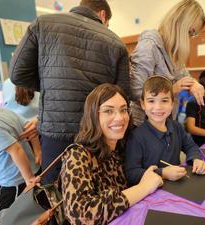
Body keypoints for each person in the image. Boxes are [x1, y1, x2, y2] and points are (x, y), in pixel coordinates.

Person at [9, 0, 130, 184]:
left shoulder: (43, 24)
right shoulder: (116, 42)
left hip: (54, 130)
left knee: (54, 193)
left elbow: (17, 73)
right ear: (103, 15)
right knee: (93, 190)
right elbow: (122, 93)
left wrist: (52, 87)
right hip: (96, 132)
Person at [61, 84, 162, 225]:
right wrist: (142, 188)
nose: (119, 118)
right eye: (108, 111)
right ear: (93, 115)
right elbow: (81, 215)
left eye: (123, 110)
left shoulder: (123, 146)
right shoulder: (77, 154)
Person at [130, 0, 205, 126]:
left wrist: (194, 83)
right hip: (144, 125)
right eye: (190, 32)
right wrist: (172, 89)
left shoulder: (172, 50)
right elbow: (136, 92)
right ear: (179, 25)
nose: (189, 38)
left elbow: (183, 76)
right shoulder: (149, 46)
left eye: (193, 35)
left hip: (164, 122)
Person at [125, 76, 205, 186]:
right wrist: (162, 173)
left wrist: (196, 159)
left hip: (177, 187)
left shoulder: (177, 127)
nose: (158, 107)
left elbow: (191, 146)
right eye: (151, 101)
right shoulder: (136, 137)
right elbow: (132, 173)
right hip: (151, 192)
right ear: (143, 104)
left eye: (164, 101)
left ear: (172, 104)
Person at [0, 80, 40, 225]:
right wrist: (37, 152)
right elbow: (30, 129)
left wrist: (29, 178)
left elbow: (16, 150)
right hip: (21, 178)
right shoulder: (3, 111)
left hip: (11, 183)